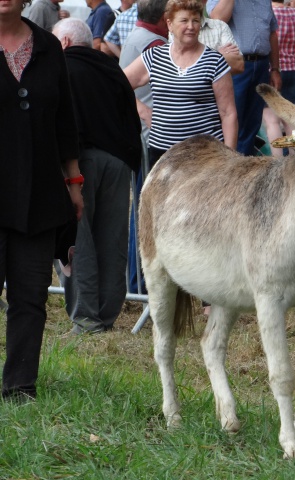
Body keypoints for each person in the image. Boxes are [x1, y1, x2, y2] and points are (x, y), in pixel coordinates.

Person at [0, 0, 83, 400]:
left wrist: (74, 181)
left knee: (30, 295)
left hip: (40, 195)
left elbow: (65, 121)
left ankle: (19, 386)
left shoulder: (49, 46)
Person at [52, 18, 141, 335]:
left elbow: (61, 122)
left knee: (79, 240)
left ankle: (86, 319)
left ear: (63, 43)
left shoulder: (60, 68)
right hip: (118, 161)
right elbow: (131, 117)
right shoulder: (112, 68)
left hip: (79, 162)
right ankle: (106, 315)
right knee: (113, 238)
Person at [124, 0, 237, 167]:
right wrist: (142, 110)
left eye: (196, 20)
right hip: (162, 155)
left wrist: (230, 158)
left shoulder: (215, 61)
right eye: (184, 21)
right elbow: (119, 84)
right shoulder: (154, 56)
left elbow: (228, 113)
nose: (191, 26)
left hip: (206, 156)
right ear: (169, 23)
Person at [119, 0, 168, 295]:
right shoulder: (154, 45)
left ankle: (136, 280)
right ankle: (140, 283)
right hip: (151, 137)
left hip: (141, 133)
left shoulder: (136, 36)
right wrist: (146, 113)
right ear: (165, 18)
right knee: (145, 208)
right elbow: (125, 83)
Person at [207, 0, 281, 155]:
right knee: (231, 121)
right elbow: (216, 20)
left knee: (252, 124)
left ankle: (243, 164)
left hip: (261, 64)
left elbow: (272, 33)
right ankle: (228, 165)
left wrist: (275, 68)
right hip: (235, 67)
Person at [262, 0, 295, 156]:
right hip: (292, 68)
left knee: (271, 120)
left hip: (272, 68)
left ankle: (278, 159)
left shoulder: (269, 13)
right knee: (289, 118)